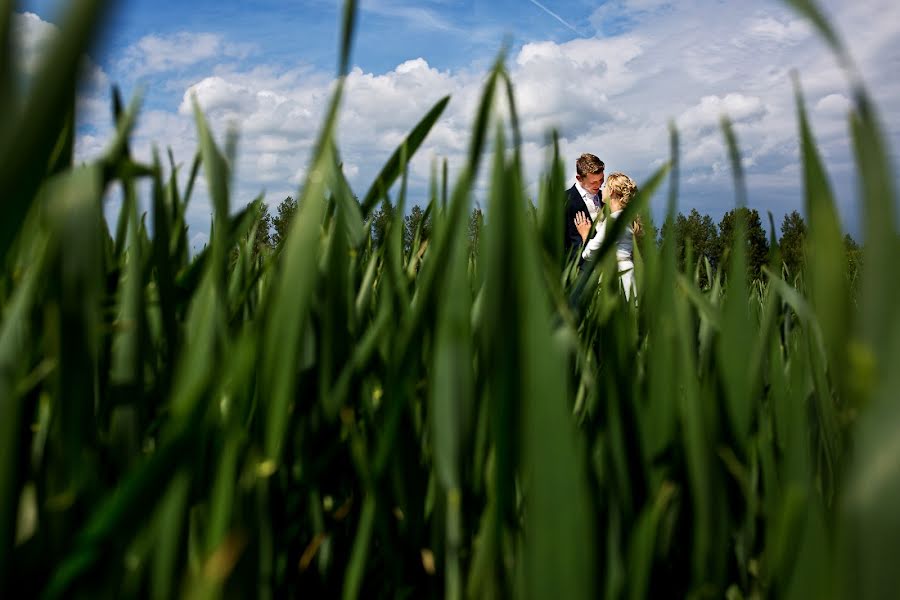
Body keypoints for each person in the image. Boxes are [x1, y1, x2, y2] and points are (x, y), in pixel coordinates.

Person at [574, 172, 641, 300]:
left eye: (605, 186)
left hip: (616, 276)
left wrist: (585, 234)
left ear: (611, 192)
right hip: (626, 273)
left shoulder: (614, 220)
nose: (601, 189)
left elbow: (589, 253)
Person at [565, 153, 605, 262]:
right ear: (579, 178)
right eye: (593, 182)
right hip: (580, 270)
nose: (599, 185)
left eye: (601, 180)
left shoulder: (606, 197)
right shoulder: (564, 201)